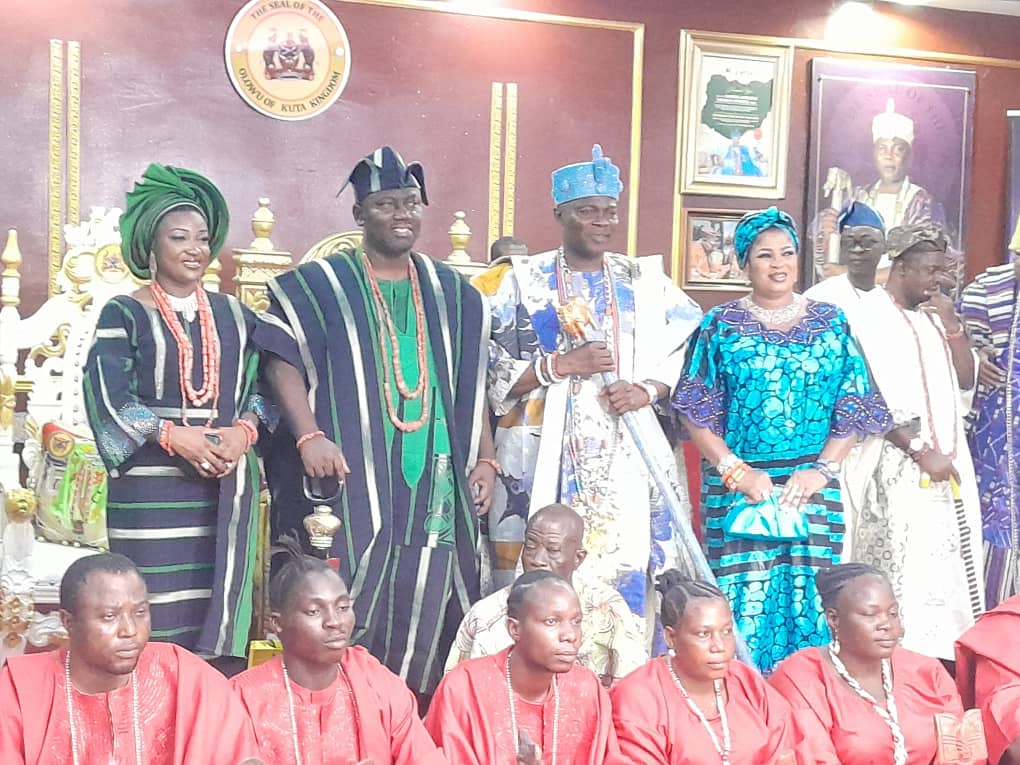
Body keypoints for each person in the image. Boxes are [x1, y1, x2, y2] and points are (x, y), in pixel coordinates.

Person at [258, 146, 495, 701]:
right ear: (360, 213)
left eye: (410, 203)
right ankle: (336, 710)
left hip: (436, 478)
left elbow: (472, 382)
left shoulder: (454, 294)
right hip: (351, 475)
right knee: (344, 590)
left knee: (432, 594)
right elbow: (279, 357)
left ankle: (411, 720)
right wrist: (309, 434)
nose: (401, 215)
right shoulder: (320, 285)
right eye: (386, 204)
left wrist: (486, 457)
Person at [474, 143, 704, 637]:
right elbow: (483, 368)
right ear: (560, 213)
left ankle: (618, 662)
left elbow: (689, 345)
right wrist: (560, 365)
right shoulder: (519, 283)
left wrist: (647, 390)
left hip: (625, 456)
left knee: (624, 567)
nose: (601, 222)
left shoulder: (645, 282)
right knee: (537, 574)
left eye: (609, 212)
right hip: (538, 454)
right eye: (587, 212)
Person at [672, 206, 891, 673]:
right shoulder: (719, 326)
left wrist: (821, 471)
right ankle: (742, 702)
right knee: (740, 610)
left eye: (787, 253)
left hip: (810, 488)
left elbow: (853, 405)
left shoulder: (832, 322)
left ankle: (805, 703)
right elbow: (694, 409)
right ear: (743, 264)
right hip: (739, 490)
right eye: (765, 255)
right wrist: (736, 471)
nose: (778, 264)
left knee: (813, 603)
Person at [82, 164, 268, 659]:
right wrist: (173, 436)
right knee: (152, 608)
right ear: (151, 246)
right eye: (179, 237)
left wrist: (243, 433)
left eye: (202, 238)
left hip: (224, 487)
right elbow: (109, 396)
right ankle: (151, 698)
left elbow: (265, 386)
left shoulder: (236, 315)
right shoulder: (123, 313)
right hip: (150, 489)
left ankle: (207, 700)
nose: (194, 249)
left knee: (216, 606)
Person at [848, 223, 983, 661]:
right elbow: (864, 396)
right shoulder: (867, 318)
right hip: (895, 467)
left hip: (950, 467)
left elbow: (967, 380)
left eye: (942, 271)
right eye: (930, 271)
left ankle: (942, 673)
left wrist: (952, 325)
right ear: (901, 268)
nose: (937, 281)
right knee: (901, 577)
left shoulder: (934, 319)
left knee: (949, 586)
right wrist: (919, 451)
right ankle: (894, 668)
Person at [0, 553, 261, 764]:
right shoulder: (20, 689)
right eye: (109, 616)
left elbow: (239, 755)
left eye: (140, 613)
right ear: (68, 621)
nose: (130, 630)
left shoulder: (184, 675)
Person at [230, 539, 446, 765]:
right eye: (314, 611)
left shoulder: (377, 684)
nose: (335, 621)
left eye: (343, 607)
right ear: (277, 623)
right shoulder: (244, 698)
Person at [770, 564, 976, 764]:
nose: (887, 625)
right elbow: (812, 756)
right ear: (833, 619)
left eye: (892, 613)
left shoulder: (927, 672)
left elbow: (961, 753)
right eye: (870, 615)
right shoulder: (802, 678)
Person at [424, 571, 619, 764]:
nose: (570, 635)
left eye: (576, 622)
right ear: (515, 629)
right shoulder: (464, 688)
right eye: (552, 622)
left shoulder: (587, 688)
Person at [444, 503, 646, 685]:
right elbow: (458, 692)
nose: (537, 559)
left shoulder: (608, 608)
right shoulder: (486, 615)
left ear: (578, 558)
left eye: (553, 550)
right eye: (531, 546)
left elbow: (632, 690)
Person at [610, 570, 795, 764]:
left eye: (726, 631)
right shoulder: (639, 698)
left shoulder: (746, 682)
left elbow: (784, 753)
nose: (720, 646)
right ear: (671, 637)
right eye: (703, 634)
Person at [812, 99, 950, 280]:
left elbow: (918, 265)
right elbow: (829, 265)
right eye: (882, 149)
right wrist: (828, 235)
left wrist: (850, 274)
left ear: (909, 156)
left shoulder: (922, 202)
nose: (889, 156)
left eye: (897, 150)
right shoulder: (856, 197)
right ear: (874, 154)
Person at [959, 253, 1020, 608]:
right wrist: (976, 360)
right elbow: (957, 345)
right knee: (993, 528)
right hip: (996, 441)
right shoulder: (986, 292)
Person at [804, 201, 886, 321]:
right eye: (848, 241)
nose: (858, 248)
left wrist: (844, 273)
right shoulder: (817, 299)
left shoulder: (889, 302)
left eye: (867, 242)